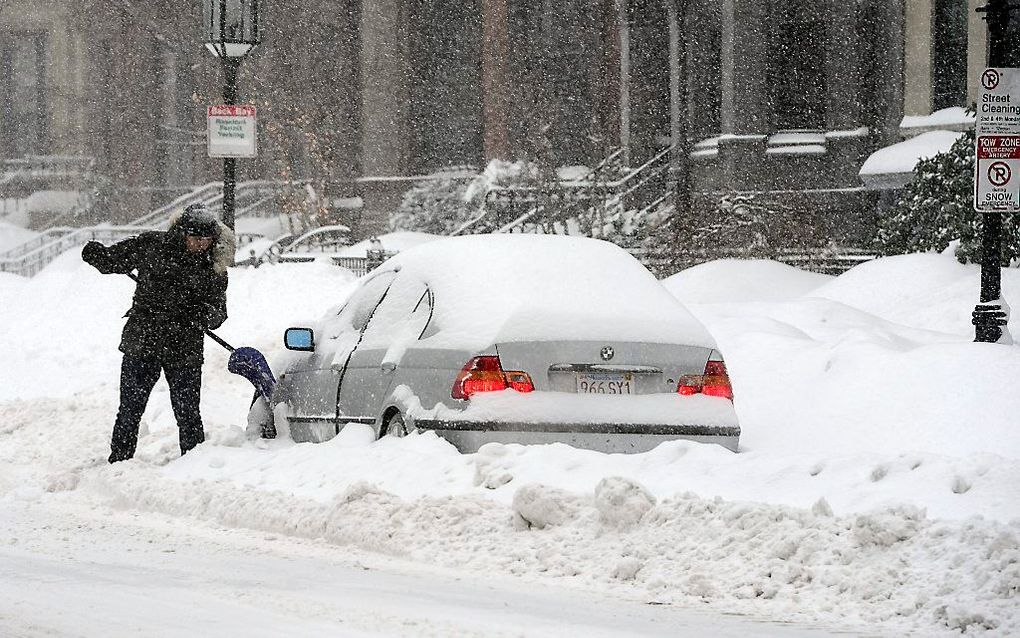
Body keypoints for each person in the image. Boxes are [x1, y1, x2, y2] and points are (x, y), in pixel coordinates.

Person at [82, 203, 234, 463]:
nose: (201, 245)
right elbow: (113, 262)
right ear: (182, 233)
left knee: (187, 412)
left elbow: (219, 313)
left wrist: (201, 315)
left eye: (207, 240)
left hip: (184, 346)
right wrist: (97, 255)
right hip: (143, 341)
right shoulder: (151, 245)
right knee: (130, 409)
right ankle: (120, 461)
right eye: (196, 239)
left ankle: (194, 462)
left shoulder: (214, 270)